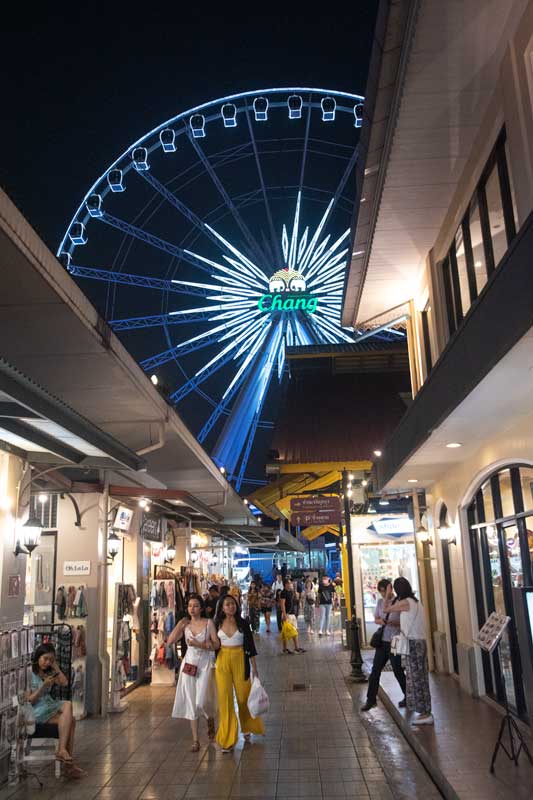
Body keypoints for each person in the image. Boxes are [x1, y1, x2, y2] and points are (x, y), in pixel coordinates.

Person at [214, 595, 265, 752]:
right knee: (225, 699)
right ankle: (227, 739)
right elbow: (212, 644)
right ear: (222, 608)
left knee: (243, 697)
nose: (231, 607)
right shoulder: (216, 624)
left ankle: (248, 726)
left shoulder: (243, 623)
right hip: (222, 662)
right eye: (227, 604)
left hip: (241, 660)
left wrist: (255, 668)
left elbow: (251, 646)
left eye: (233, 604)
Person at [169, 594, 219, 750]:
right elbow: (170, 641)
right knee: (191, 701)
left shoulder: (208, 623)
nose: (192, 609)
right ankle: (196, 740)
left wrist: (201, 645)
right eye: (190, 606)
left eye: (196, 605)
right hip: (189, 665)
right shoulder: (185, 625)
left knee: (202, 701)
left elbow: (216, 644)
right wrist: (179, 625)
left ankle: (209, 719)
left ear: (201, 608)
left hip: (205, 665)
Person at [28, 643, 86, 778]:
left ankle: (64, 757)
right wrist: (43, 687)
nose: (47, 662)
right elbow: (30, 701)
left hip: (49, 706)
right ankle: (67, 762)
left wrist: (55, 666)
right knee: (68, 711)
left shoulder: (49, 671)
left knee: (70, 718)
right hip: (36, 711)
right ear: (38, 657)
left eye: (51, 660)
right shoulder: (29, 674)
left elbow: (65, 682)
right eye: (45, 659)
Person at [383, 577, 433, 725]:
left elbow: (385, 609)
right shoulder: (416, 602)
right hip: (420, 642)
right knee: (421, 677)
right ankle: (425, 711)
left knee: (416, 678)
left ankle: (425, 713)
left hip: (413, 643)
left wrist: (387, 594)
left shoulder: (405, 603)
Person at [361, 579, 406, 712]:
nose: (382, 594)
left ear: (390, 589)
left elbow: (405, 622)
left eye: (383, 591)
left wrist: (396, 624)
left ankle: (408, 696)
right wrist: (382, 621)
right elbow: (376, 618)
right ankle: (371, 699)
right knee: (375, 671)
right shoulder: (380, 602)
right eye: (380, 591)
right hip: (382, 642)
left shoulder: (399, 602)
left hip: (395, 640)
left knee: (397, 670)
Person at [280, 578, 305, 654]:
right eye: (289, 583)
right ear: (285, 584)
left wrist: (294, 589)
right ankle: (287, 648)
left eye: (290, 583)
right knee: (286, 632)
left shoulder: (290, 592)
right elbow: (282, 604)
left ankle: (295, 648)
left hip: (292, 614)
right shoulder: (283, 593)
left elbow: (296, 598)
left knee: (294, 631)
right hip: (287, 614)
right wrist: (284, 614)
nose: (290, 584)